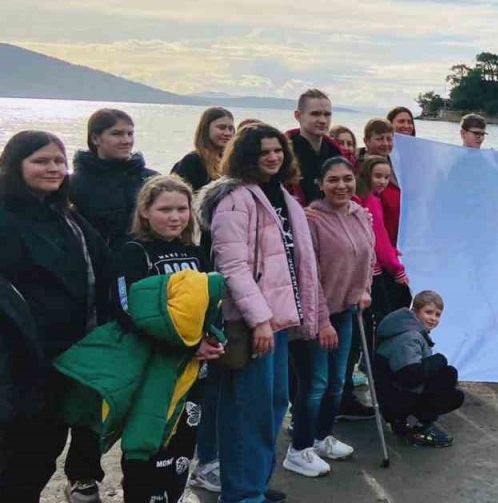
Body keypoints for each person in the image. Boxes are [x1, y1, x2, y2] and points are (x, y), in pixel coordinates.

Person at [197, 123, 325, 502]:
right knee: (248, 411)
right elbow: (232, 266)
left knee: (272, 405)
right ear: (245, 156)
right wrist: (259, 320)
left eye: (278, 151)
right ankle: (241, 492)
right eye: (263, 152)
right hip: (253, 322)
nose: (272, 157)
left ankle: (254, 481)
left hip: (280, 320)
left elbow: (296, 261)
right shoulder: (234, 199)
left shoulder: (282, 195)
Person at [0, 131, 117, 503]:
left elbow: (106, 269)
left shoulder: (67, 217)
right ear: (15, 166)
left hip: (65, 360)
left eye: (58, 161)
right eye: (40, 161)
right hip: (15, 364)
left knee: (41, 455)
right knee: (16, 456)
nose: (53, 169)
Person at [108, 175, 224, 503]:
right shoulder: (133, 251)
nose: (175, 217)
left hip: (193, 370)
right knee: (147, 443)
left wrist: (214, 338)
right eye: (165, 209)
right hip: (152, 368)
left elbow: (209, 306)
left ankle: (172, 496)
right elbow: (125, 310)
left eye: (182, 209)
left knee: (183, 444)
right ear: (145, 211)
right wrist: (186, 344)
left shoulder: (194, 251)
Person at [286, 158, 376, 478]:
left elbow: (369, 257)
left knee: (338, 383)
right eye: (334, 180)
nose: (342, 186)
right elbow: (307, 275)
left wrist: (364, 289)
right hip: (313, 316)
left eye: (348, 179)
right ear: (321, 185)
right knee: (315, 384)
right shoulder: (310, 220)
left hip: (346, 312)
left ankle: (322, 437)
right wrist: (321, 321)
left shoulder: (360, 215)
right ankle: (299, 449)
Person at [374, 291, 465, 448]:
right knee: (448, 381)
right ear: (415, 311)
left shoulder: (404, 328)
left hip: (391, 393)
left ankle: (409, 421)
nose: (433, 319)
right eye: (428, 312)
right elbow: (408, 376)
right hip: (395, 399)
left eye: (437, 315)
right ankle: (412, 425)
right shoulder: (410, 336)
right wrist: (439, 360)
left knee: (447, 377)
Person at [70, 108, 159, 249]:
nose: (126, 141)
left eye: (130, 134)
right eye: (117, 134)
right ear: (95, 139)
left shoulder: (152, 180)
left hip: (148, 260)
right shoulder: (73, 184)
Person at [356, 156, 411, 314]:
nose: (383, 181)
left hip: (365, 266)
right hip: (374, 269)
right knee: (384, 312)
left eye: (386, 177)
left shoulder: (366, 197)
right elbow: (379, 238)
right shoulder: (371, 201)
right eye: (378, 176)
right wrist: (397, 269)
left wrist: (392, 252)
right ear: (367, 175)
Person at [288, 89, 354, 206]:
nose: (323, 120)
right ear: (298, 115)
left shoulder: (336, 153)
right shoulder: (284, 153)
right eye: (315, 114)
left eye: (327, 115)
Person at [172, 106, 235, 193]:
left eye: (231, 129)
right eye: (221, 128)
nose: (228, 133)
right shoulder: (192, 162)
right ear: (206, 129)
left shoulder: (232, 161)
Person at [360, 119, 402, 246]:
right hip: (375, 241)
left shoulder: (398, 168)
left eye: (389, 139)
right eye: (379, 139)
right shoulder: (360, 169)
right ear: (366, 141)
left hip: (396, 238)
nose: (385, 143)